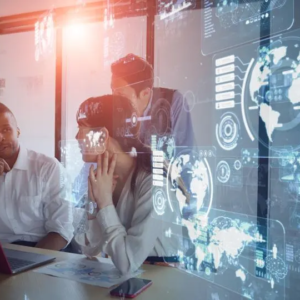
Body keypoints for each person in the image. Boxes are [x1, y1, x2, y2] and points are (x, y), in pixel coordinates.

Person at [74, 95, 180, 274]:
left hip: (159, 284)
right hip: (126, 281)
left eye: (81, 128)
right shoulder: (103, 176)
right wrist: (93, 204)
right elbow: (88, 249)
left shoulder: (153, 185)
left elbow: (127, 263)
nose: (76, 137)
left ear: (103, 135)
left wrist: (105, 203)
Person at [0, 103, 74, 250]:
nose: (0, 137)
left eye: (6, 130)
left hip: (42, 248)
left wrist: (31, 260)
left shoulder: (47, 168)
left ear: (18, 131)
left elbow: (61, 230)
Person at [111, 53, 195, 148]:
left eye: (120, 95)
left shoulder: (173, 102)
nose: (114, 100)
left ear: (145, 93)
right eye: (112, 91)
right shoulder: (115, 113)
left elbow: (185, 155)